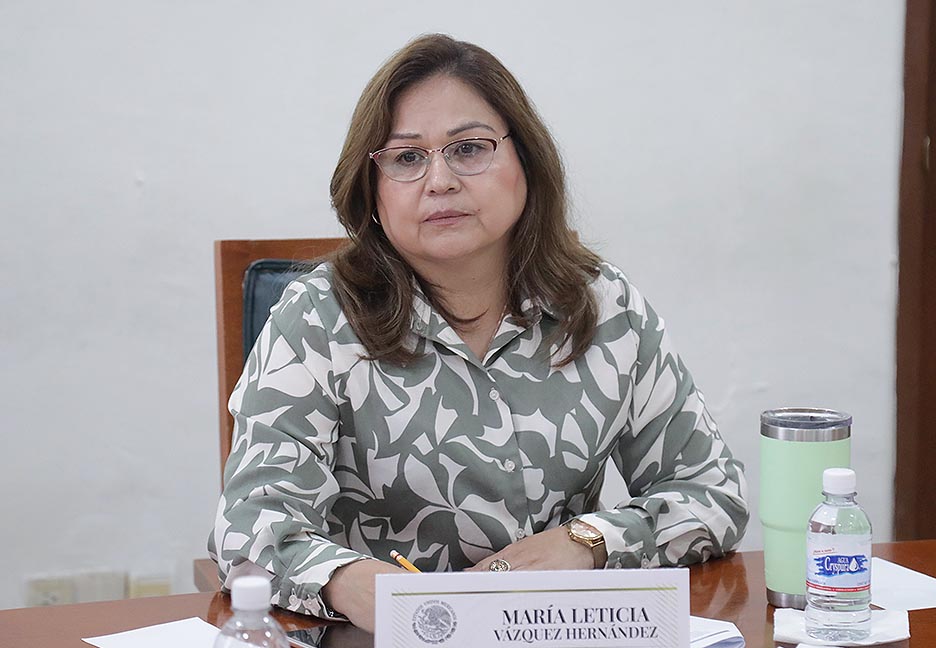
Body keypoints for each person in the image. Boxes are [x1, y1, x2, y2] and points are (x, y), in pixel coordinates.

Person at [208, 33, 748, 633]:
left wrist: (588, 542)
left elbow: (711, 492)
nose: (439, 180)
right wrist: (355, 585)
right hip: (376, 637)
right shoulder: (317, 318)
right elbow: (251, 527)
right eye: (406, 158)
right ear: (373, 189)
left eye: (468, 149)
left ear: (526, 163)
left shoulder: (602, 306)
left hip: (556, 632)